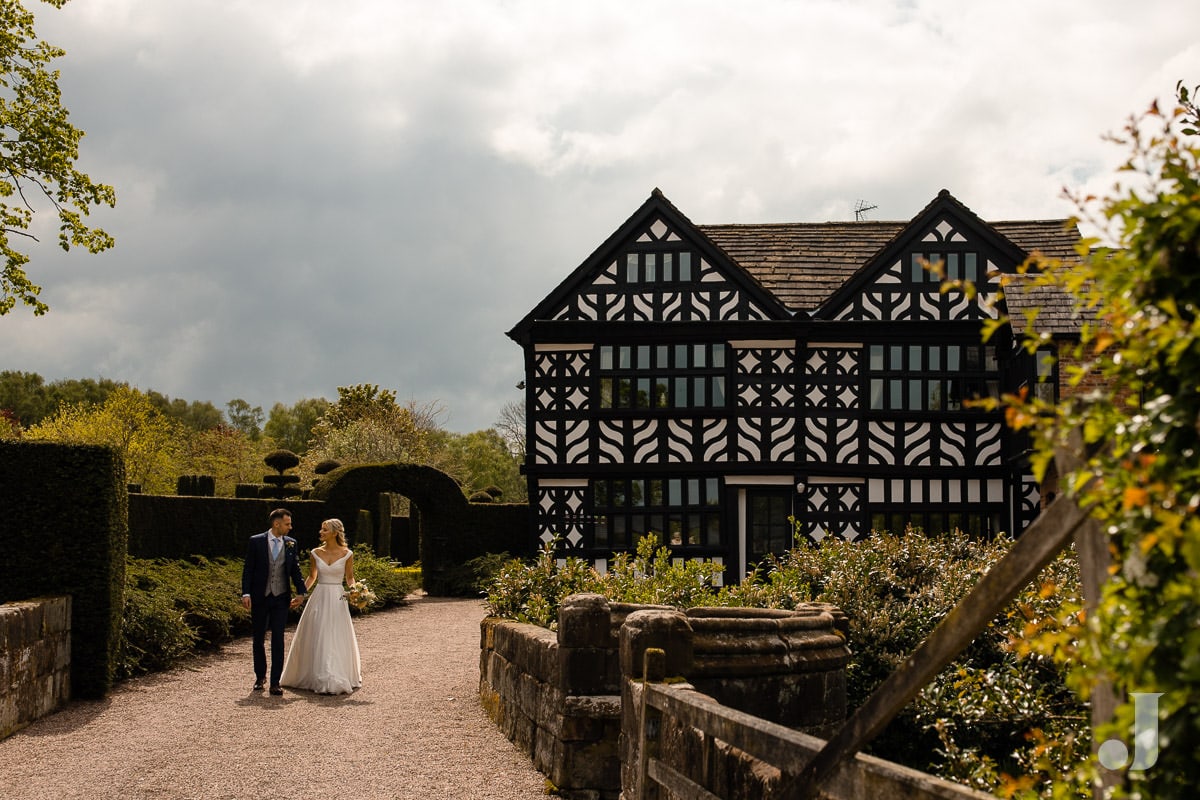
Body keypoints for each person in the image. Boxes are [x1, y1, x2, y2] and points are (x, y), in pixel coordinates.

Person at [280, 518, 363, 695]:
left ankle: (334, 673)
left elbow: (349, 578)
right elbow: (312, 577)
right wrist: (301, 594)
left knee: (335, 633)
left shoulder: (347, 554)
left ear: (334, 533)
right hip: (319, 596)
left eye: (324, 530)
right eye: (321, 529)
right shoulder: (315, 553)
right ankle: (317, 674)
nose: (320, 532)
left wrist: (357, 592)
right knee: (319, 632)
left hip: (338, 598)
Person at [241, 508, 307, 696]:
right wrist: (246, 593)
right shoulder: (256, 541)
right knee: (258, 639)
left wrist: (301, 592)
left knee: (278, 638)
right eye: (287, 523)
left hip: (281, 598)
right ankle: (260, 677)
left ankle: (275, 682)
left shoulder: (291, 544)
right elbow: (248, 570)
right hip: (260, 597)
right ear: (276, 524)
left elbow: (296, 570)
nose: (290, 527)